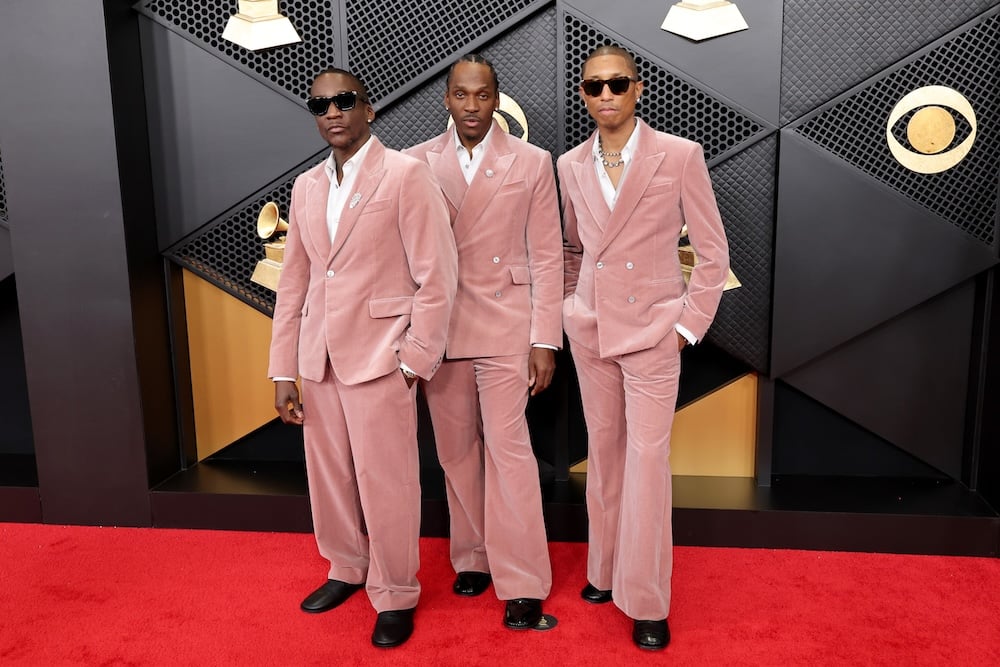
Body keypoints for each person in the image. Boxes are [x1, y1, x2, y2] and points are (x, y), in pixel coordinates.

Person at [268, 67, 458, 648]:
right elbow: (295, 283)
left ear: (368, 109)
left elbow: (437, 277)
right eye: (320, 104)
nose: (332, 111)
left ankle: (396, 591)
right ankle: (346, 567)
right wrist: (283, 368)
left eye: (344, 100)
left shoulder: (406, 174)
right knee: (328, 478)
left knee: (387, 483)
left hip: (382, 359)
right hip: (319, 358)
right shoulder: (305, 187)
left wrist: (414, 361)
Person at [558, 45, 730, 650]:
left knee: (648, 463)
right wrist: (571, 307)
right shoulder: (569, 164)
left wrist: (686, 326)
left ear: (638, 88)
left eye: (616, 84)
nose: (605, 95)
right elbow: (572, 248)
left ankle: (648, 599)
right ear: (584, 94)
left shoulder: (679, 155)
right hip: (592, 332)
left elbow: (712, 253)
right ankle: (605, 569)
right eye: (593, 86)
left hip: (655, 332)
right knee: (604, 455)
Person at [404, 54, 563, 629]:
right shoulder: (415, 162)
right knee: (455, 452)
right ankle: (473, 555)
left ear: (497, 99)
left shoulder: (531, 161)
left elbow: (548, 255)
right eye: (461, 94)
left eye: (482, 94)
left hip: (506, 325)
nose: (472, 105)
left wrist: (545, 339)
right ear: (446, 98)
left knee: (508, 451)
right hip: (441, 328)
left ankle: (523, 579)